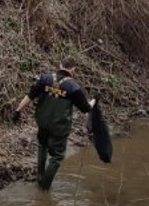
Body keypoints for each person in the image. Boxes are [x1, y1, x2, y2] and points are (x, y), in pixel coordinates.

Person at [13, 58, 95, 190]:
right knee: (57, 156)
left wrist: (17, 110)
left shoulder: (44, 79)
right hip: (59, 126)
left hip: (42, 122)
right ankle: (44, 187)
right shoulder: (74, 87)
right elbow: (86, 109)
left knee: (42, 145)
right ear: (73, 70)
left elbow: (30, 96)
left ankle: (40, 176)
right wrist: (94, 101)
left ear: (60, 65)